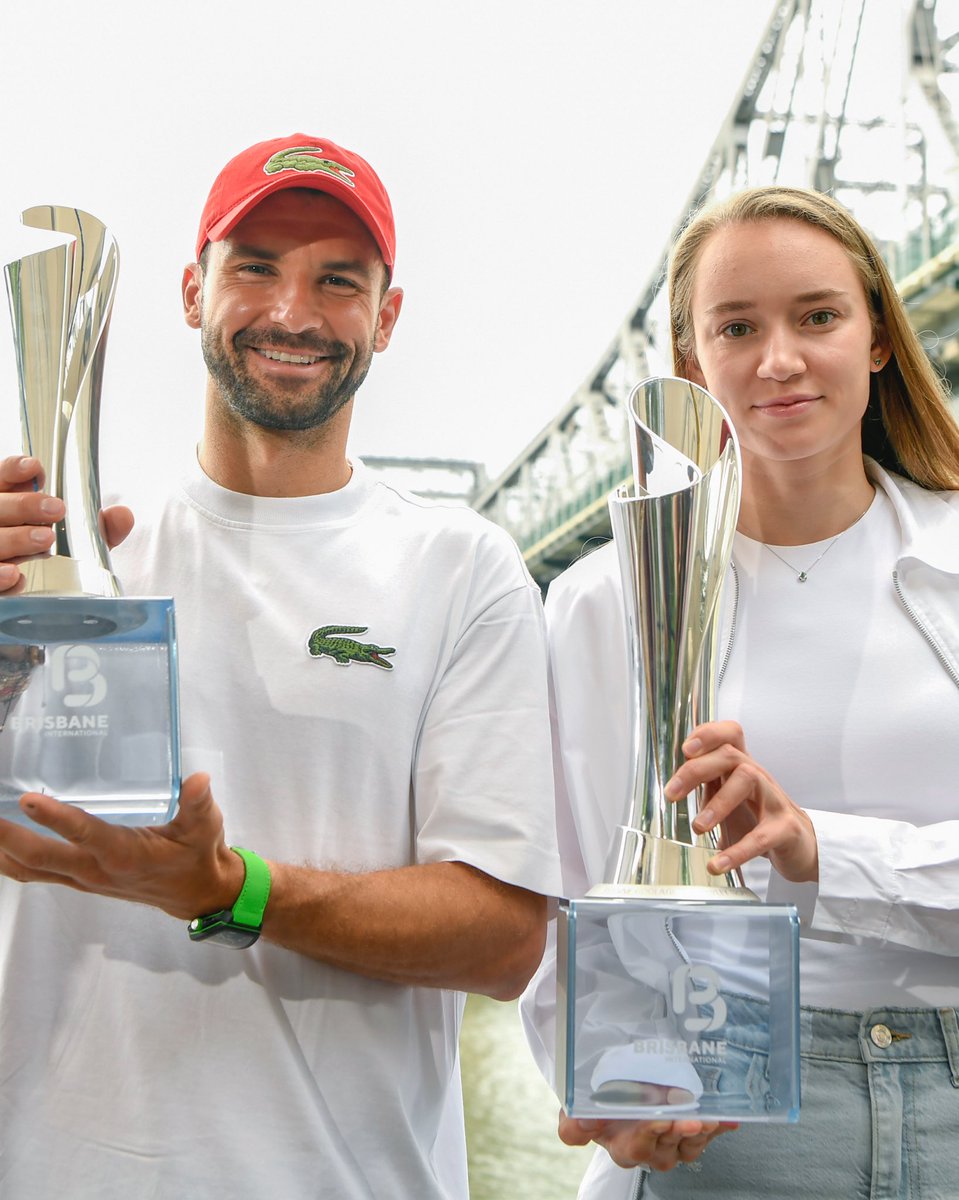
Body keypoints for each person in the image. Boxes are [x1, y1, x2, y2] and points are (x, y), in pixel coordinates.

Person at [0, 134, 562, 1199]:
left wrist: (227, 890)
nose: (293, 313)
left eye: (337, 280)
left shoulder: (461, 567)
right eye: (254, 265)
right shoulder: (54, 556)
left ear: (386, 316)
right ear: (188, 289)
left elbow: (499, 942)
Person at [521, 186, 959, 1198]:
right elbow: (560, 892)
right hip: (720, 1105)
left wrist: (819, 851)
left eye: (816, 316)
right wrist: (599, 1084)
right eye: (735, 327)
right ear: (689, 362)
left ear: (879, 339)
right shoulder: (596, 603)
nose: (776, 360)